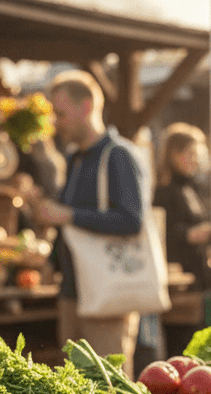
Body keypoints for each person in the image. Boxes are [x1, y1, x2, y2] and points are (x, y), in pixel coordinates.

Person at [31, 70, 145, 376]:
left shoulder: (118, 156)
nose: (56, 121)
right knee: (77, 389)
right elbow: (69, 223)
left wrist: (68, 215)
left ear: (87, 106)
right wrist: (51, 260)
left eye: (61, 113)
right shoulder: (74, 158)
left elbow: (132, 220)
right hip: (72, 291)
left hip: (107, 293)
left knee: (110, 390)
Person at [153, 123, 211, 357]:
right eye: (191, 154)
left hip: (198, 280)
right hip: (179, 285)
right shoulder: (165, 191)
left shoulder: (192, 186)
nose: (196, 161)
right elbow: (162, 233)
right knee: (183, 349)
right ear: (174, 154)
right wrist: (191, 234)